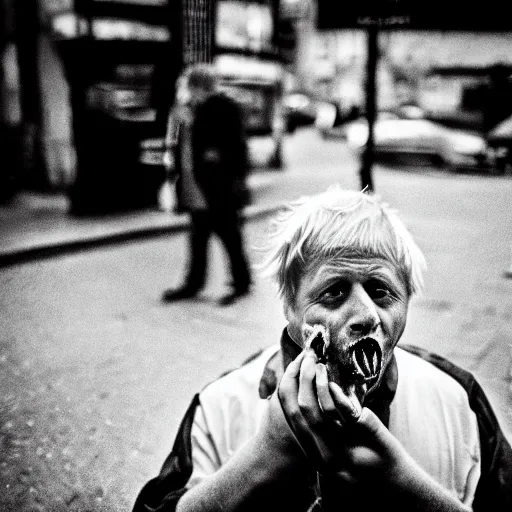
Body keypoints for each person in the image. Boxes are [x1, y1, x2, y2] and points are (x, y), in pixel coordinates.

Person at [133, 185, 512, 511]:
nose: (366, 314)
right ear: (290, 307)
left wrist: (402, 482)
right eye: (334, 292)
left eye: (381, 291)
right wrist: (263, 458)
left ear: (408, 299)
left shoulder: (457, 401)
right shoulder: (221, 408)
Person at [162, 63, 252, 306]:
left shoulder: (224, 108)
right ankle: (193, 284)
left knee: (230, 237)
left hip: (218, 188)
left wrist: (232, 178)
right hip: (194, 186)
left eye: (188, 84)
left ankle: (241, 283)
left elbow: (237, 151)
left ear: (198, 85)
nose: (184, 89)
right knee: (198, 239)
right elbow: (180, 147)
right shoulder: (188, 110)